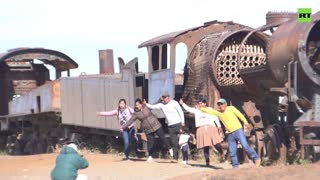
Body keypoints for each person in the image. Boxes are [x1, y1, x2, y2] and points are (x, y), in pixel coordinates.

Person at [201, 98, 261, 168]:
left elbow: (240, 115)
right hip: (230, 133)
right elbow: (209, 111)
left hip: (238, 130)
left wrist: (246, 122)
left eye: (222, 104)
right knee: (232, 151)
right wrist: (201, 108)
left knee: (245, 145)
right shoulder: (218, 113)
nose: (220, 106)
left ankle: (256, 158)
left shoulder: (231, 108)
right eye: (219, 104)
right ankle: (235, 166)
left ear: (226, 104)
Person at [122, 98, 172, 163]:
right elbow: (130, 121)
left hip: (156, 125)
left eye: (138, 104)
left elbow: (154, 104)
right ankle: (150, 157)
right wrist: (123, 127)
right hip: (148, 129)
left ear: (141, 104)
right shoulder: (136, 113)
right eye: (136, 105)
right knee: (150, 143)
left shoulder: (146, 107)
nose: (137, 106)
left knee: (163, 138)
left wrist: (159, 100)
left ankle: (170, 149)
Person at [180, 98, 224, 166]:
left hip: (210, 127)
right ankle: (207, 161)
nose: (200, 104)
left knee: (216, 143)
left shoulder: (210, 109)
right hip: (201, 128)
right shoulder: (196, 110)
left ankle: (221, 153)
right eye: (199, 103)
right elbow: (189, 109)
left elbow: (215, 117)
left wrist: (219, 126)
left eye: (201, 103)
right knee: (205, 145)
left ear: (205, 103)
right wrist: (182, 104)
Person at [143, 91, 185, 162]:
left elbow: (180, 111)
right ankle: (175, 158)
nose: (164, 99)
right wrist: (146, 104)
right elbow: (153, 106)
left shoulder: (174, 103)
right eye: (163, 97)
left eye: (165, 97)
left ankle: (185, 158)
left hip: (178, 124)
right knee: (173, 142)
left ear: (169, 97)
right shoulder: (161, 105)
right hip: (170, 126)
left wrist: (183, 122)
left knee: (183, 141)